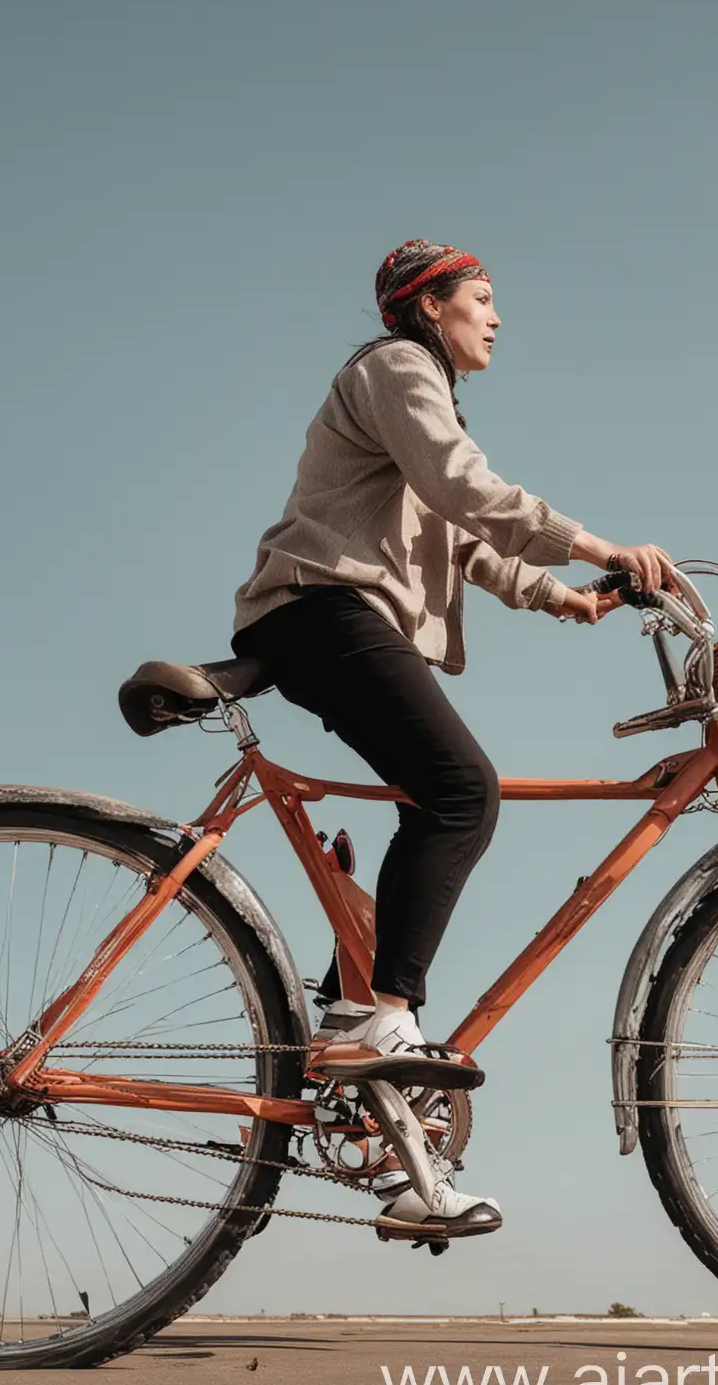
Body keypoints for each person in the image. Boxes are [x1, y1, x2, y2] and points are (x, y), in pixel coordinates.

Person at [230, 239, 673, 1230]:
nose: (498, 316)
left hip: (335, 617)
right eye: (483, 298)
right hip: (318, 611)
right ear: (428, 306)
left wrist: (569, 600)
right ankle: (378, 1017)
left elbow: (460, 535)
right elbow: (469, 488)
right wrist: (607, 545)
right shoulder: (395, 370)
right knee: (462, 792)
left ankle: (394, 1130)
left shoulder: (411, 397)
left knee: (432, 806)